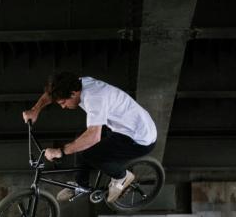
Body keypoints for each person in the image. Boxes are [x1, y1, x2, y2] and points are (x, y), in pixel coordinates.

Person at [22, 72, 157, 203]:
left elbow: (93, 137)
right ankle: (81, 185)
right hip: (126, 125)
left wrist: (60, 151)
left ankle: (122, 177)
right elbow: (50, 95)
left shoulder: (94, 98)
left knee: (89, 153)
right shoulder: (77, 84)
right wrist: (35, 110)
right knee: (79, 142)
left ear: (73, 94)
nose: (63, 107)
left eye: (63, 102)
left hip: (139, 138)